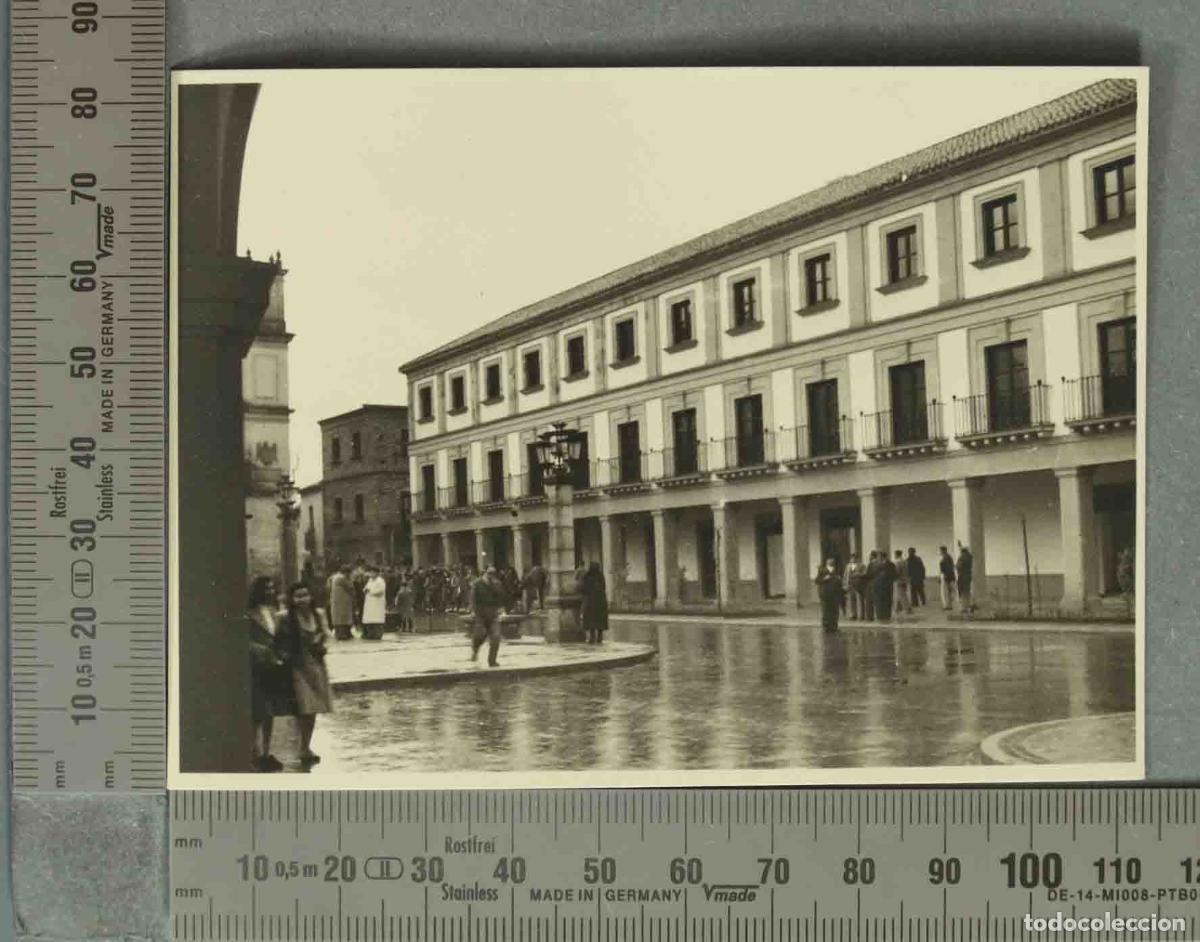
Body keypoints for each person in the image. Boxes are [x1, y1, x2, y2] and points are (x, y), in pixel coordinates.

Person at [275, 582, 333, 767]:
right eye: (298, 596)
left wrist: (322, 643)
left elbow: (326, 634)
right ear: (291, 599)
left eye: (305, 595)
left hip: (316, 666)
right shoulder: (284, 617)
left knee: (313, 709)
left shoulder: (319, 614)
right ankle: (301, 747)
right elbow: (278, 641)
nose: (302, 600)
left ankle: (305, 746)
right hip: (296, 668)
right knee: (303, 707)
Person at [246, 575, 291, 772]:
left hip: (274, 667)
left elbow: (278, 638)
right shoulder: (248, 613)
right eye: (266, 589)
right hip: (256, 667)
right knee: (258, 711)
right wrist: (262, 651)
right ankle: (253, 753)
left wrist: (282, 653)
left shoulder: (273, 612)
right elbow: (243, 640)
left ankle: (266, 752)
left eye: (272, 588)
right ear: (257, 591)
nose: (270, 592)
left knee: (271, 711)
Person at [470, 566, 505, 666]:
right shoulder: (477, 584)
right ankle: (475, 650)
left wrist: (501, 608)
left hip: (493, 613)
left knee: (496, 637)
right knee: (480, 634)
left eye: (493, 573)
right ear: (484, 573)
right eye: (489, 573)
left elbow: (501, 597)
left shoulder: (497, 584)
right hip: (480, 613)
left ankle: (492, 660)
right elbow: (472, 598)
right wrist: (472, 611)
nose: (491, 575)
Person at [580, 561, 609, 643]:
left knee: (591, 620)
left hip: (590, 602)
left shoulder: (587, 576)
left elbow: (583, 589)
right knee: (600, 620)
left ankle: (592, 637)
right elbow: (604, 587)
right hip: (600, 602)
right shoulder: (600, 576)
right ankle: (599, 637)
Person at [814, 557, 845, 632]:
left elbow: (840, 581)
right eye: (830, 562)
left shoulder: (837, 570)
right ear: (827, 563)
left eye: (833, 562)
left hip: (835, 594)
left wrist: (839, 580)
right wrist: (824, 579)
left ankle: (834, 626)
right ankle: (826, 627)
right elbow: (817, 581)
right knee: (826, 610)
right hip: (826, 594)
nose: (832, 563)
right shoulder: (822, 571)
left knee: (835, 611)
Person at [327, 565, 355, 641]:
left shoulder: (333, 577)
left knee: (338, 618)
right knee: (343, 618)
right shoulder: (342, 578)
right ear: (346, 572)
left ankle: (340, 634)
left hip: (337, 600)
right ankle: (343, 634)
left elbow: (328, 587)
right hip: (342, 601)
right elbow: (350, 587)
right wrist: (351, 580)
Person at [361, 566, 388, 640]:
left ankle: (377, 634)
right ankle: (370, 634)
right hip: (369, 603)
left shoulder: (380, 581)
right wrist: (366, 590)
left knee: (377, 621)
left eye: (372, 572)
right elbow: (365, 588)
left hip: (377, 603)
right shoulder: (370, 580)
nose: (371, 574)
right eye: (370, 572)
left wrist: (370, 591)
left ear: (376, 573)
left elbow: (380, 591)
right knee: (369, 620)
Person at [873, 549, 897, 623]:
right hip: (878, 585)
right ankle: (880, 615)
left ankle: (887, 615)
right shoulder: (876, 565)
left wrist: (889, 581)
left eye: (880, 557)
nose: (879, 558)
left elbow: (894, 575)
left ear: (883, 557)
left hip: (887, 586)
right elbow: (874, 575)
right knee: (879, 601)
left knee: (887, 600)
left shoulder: (891, 564)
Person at [844, 554, 867, 620]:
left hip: (858, 585)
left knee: (860, 600)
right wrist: (845, 584)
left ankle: (861, 615)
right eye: (852, 558)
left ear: (857, 559)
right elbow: (845, 575)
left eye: (854, 558)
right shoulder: (848, 566)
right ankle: (853, 614)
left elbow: (865, 573)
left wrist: (859, 574)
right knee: (851, 600)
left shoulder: (862, 565)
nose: (853, 560)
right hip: (850, 585)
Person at [956, 544, 974, 614]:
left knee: (962, 592)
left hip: (962, 576)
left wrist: (956, 566)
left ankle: (964, 607)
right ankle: (968, 605)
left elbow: (959, 566)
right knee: (967, 591)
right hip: (968, 576)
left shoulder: (962, 558)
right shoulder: (970, 557)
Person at [893, 549, 911, 617]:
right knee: (900, 594)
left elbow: (897, 571)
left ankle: (907, 608)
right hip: (905, 579)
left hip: (899, 580)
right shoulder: (905, 561)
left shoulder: (897, 562)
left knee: (901, 595)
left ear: (896, 554)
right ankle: (897, 608)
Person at [938, 546, 956, 611]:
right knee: (948, 592)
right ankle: (948, 605)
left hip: (946, 576)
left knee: (945, 592)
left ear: (943, 551)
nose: (939, 552)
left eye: (940, 551)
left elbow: (946, 569)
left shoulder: (946, 558)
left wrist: (945, 577)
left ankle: (947, 606)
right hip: (948, 576)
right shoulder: (948, 557)